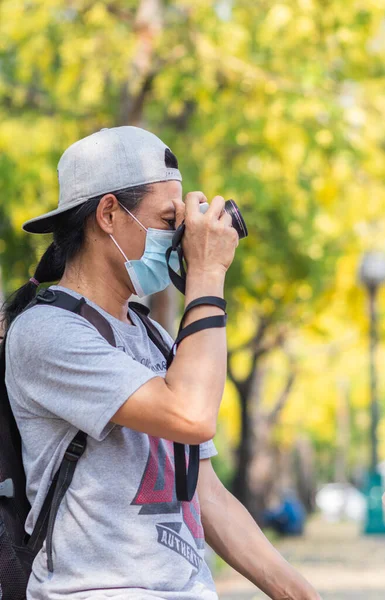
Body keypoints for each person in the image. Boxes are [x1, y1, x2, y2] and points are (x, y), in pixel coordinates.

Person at [2, 126, 321, 600]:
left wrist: (304, 595)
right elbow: (191, 416)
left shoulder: (152, 335)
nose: (181, 238)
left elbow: (206, 496)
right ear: (109, 214)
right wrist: (208, 274)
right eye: (169, 219)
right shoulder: (48, 332)